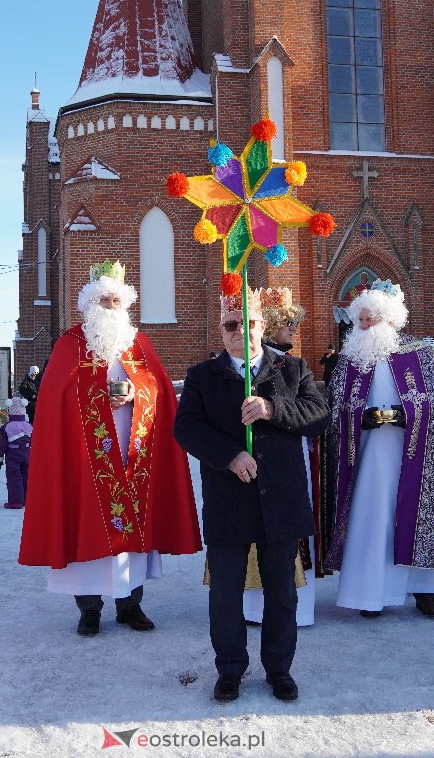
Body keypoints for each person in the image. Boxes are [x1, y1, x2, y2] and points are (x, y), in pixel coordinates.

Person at [19, 260, 201, 638]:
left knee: (133, 530)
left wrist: (137, 394)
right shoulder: (71, 343)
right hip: (86, 457)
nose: (110, 306)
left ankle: (130, 604)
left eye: (116, 300)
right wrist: (96, 397)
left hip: (134, 456)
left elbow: (159, 389)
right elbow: (55, 398)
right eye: (103, 299)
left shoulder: (139, 343)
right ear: (89, 303)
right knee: (87, 526)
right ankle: (89, 610)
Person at [175, 289, 329, 703]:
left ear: (262, 326)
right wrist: (230, 455)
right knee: (225, 593)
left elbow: (318, 416)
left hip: (281, 498)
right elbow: (186, 428)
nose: (239, 331)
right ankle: (230, 669)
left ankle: (279, 668)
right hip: (229, 499)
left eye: (248, 323)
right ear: (220, 329)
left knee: (282, 592)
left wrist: (272, 409)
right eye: (230, 324)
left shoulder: (292, 369)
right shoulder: (202, 375)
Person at [320, 279, 434, 619]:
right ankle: (370, 594)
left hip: (413, 453)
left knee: (419, 518)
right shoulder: (349, 360)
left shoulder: (419, 355)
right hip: (368, 456)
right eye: (359, 319)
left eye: (369, 318)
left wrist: (408, 415)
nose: (362, 325)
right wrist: (359, 418)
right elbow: (336, 407)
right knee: (373, 521)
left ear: (388, 319)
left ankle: (424, 591)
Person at [245, 286, 318, 629]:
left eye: (295, 323)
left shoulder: (295, 365)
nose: (293, 329)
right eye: (287, 323)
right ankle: (254, 607)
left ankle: (293, 606)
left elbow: (316, 412)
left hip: (291, 460)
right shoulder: (251, 363)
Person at [0, 397, 32, 509]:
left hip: (13, 454)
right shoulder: (29, 425)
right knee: (26, 476)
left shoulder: (6, 427)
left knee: (14, 477)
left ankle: (16, 501)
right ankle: (27, 499)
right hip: (26, 453)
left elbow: (2, 445)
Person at [260, 286, 306, 354]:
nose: (293, 329)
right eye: (289, 323)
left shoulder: (290, 358)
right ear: (271, 324)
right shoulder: (257, 357)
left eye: (295, 323)